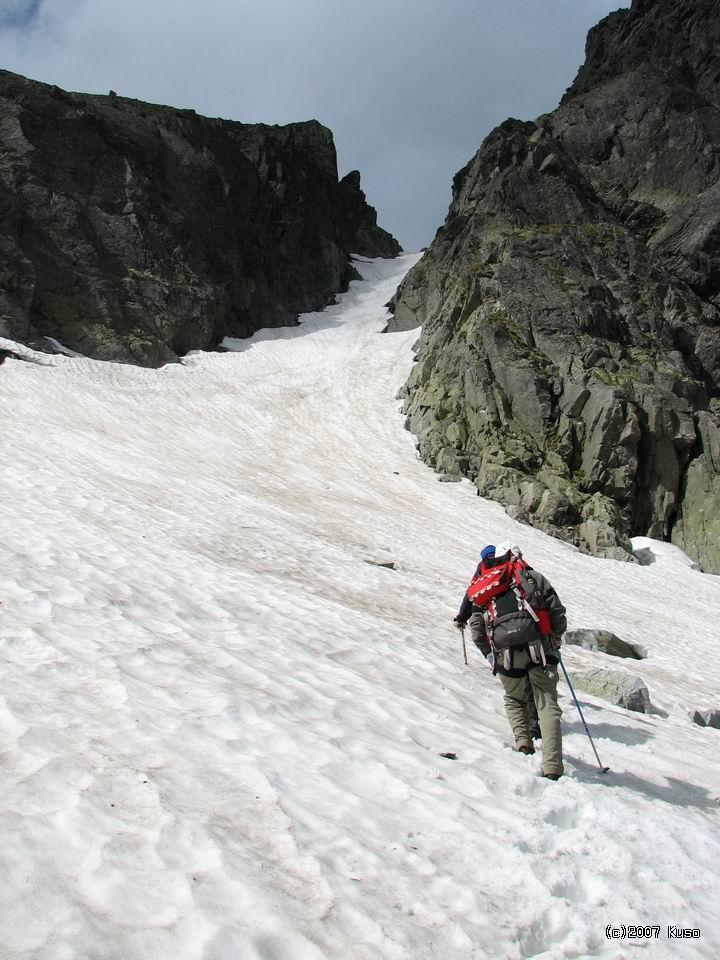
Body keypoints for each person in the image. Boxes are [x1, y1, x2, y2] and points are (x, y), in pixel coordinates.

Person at [454, 542, 567, 780]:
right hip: (540, 648)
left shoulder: (484, 587)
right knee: (547, 705)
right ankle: (553, 765)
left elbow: (476, 627)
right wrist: (556, 637)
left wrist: (489, 654)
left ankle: (523, 743)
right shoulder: (531, 577)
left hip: (505, 653)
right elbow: (555, 609)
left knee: (514, 699)